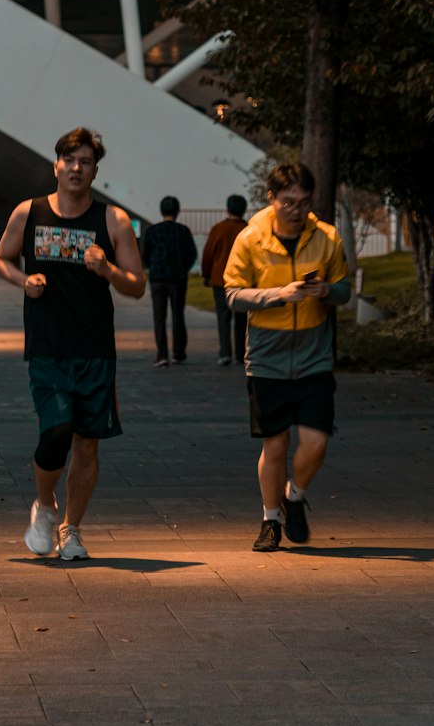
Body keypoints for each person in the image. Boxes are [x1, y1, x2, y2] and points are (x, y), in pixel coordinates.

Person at [0, 126, 146, 561]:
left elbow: (137, 286)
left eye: (86, 161)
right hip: (47, 344)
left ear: (95, 171)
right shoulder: (30, 212)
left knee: (87, 442)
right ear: (55, 165)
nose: (77, 168)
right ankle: (44, 504)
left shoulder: (112, 221)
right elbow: (1, 259)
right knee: (55, 429)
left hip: (96, 347)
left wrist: (109, 270)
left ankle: (71, 530)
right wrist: (25, 281)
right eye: (70, 160)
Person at [224, 162, 350, 552]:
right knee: (274, 445)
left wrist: (327, 291)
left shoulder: (327, 238)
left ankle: (294, 497)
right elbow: (232, 294)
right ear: (271, 199)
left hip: (313, 355)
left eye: (304, 202)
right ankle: (270, 519)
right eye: (288, 201)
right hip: (267, 357)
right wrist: (279, 294)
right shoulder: (250, 239)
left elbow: (345, 291)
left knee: (316, 441)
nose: (296, 209)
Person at [141, 196, 197, 367]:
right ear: (177, 211)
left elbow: (145, 255)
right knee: (177, 315)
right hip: (178, 279)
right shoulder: (183, 231)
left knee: (159, 317)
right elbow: (192, 254)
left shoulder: (152, 231)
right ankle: (178, 353)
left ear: (161, 211)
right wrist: (183, 268)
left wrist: (153, 267)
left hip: (157, 279)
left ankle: (162, 354)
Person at [201, 193, 249, 366]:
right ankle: (241, 353)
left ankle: (225, 353)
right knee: (242, 319)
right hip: (243, 281)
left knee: (223, 317)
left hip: (220, 280)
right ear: (244, 210)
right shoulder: (248, 229)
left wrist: (206, 275)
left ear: (227, 209)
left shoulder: (218, 229)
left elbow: (208, 255)